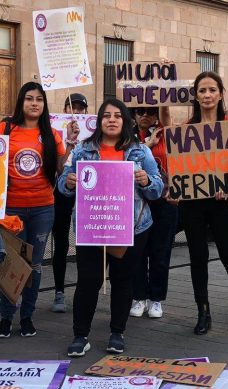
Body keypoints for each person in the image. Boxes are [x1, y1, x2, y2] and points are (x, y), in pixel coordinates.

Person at [57, 98, 164, 357]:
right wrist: (68, 182)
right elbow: (61, 186)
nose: (112, 120)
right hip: (92, 227)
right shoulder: (82, 150)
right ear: (99, 121)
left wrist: (147, 179)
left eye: (118, 115)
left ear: (126, 121)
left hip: (131, 228)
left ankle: (117, 332)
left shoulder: (140, 151)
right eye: (107, 115)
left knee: (122, 279)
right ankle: (80, 335)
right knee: (88, 281)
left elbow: (158, 188)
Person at [161, 71, 228, 336]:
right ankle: (203, 312)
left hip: (221, 203)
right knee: (198, 258)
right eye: (202, 90)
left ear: (220, 93)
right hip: (193, 203)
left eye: (211, 90)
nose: (207, 95)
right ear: (195, 95)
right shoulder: (186, 128)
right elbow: (176, 156)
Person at [0, 82, 70, 337]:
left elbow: (60, 170)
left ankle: (27, 317)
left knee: (34, 266)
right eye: (29, 98)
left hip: (42, 209)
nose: (34, 103)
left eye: (39, 99)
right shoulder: (4, 129)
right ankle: (6, 317)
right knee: (12, 263)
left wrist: (69, 144)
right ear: (21, 102)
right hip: (11, 208)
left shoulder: (52, 135)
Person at [129, 106, 176, 319]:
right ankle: (139, 296)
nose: (145, 115)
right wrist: (147, 145)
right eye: (140, 112)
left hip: (165, 200)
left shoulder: (164, 132)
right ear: (134, 115)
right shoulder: (127, 136)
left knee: (160, 251)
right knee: (138, 252)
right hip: (138, 201)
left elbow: (166, 110)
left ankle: (156, 298)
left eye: (150, 111)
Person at [51, 93, 89, 313]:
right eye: (72, 107)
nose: (76, 111)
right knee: (61, 243)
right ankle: (59, 290)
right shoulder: (56, 132)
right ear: (65, 110)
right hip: (62, 191)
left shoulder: (92, 132)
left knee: (84, 244)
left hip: (85, 191)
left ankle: (84, 290)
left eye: (80, 108)